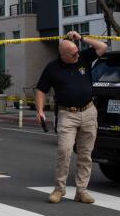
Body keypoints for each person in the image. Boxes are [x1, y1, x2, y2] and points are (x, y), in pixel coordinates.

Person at [34, 30, 108, 205]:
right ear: (63, 56)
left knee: (85, 154)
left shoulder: (83, 57)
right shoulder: (53, 68)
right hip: (67, 113)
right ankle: (59, 189)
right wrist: (40, 110)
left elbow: (103, 47)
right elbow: (40, 89)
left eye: (77, 51)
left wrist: (81, 38)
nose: (77, 55)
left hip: (89, 111)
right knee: (64, 151)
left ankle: (81, 191)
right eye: (73, 53)